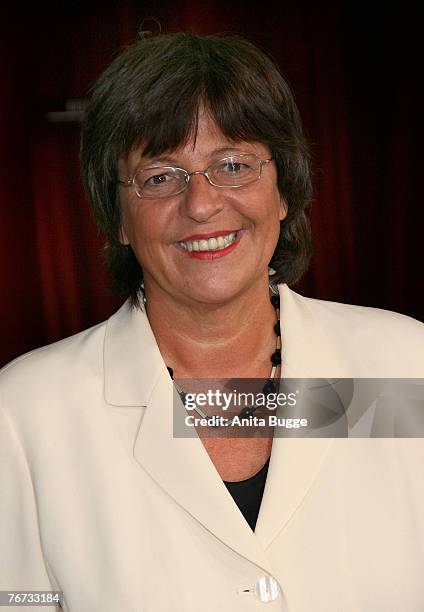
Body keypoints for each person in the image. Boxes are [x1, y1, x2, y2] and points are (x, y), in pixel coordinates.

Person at [1, 31, 424, 612]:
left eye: (233, 164)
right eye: (160, 176)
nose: (201, 204)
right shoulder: (24, 415)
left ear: (284, 191)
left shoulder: (404, 367)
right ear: (117, 217)